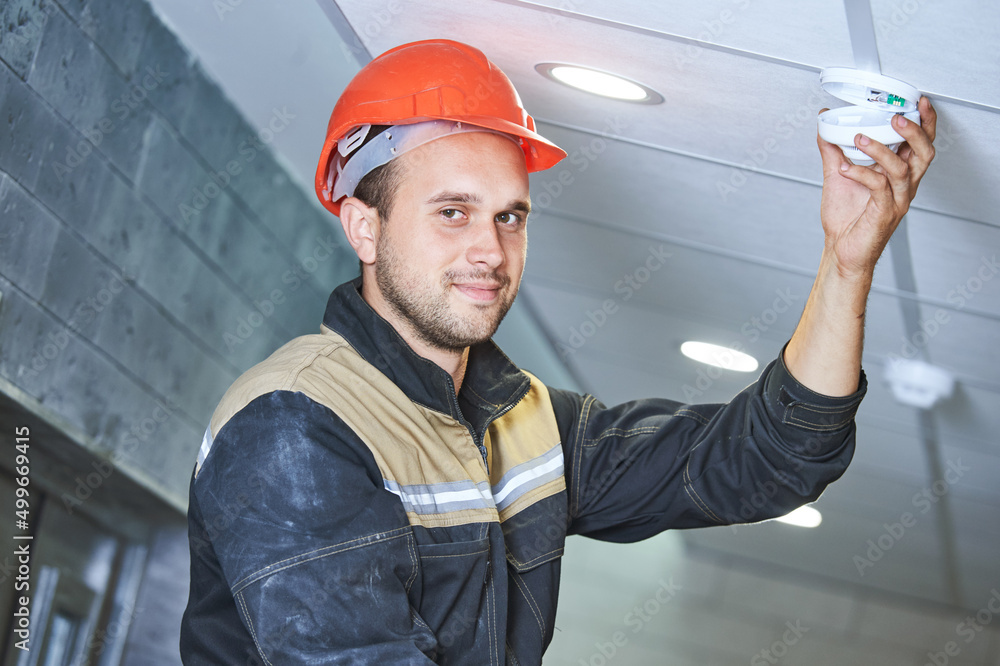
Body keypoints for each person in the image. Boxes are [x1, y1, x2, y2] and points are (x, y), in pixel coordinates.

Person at [179, 39, 936, 664]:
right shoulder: (293, 425)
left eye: (510, 217)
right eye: (453, 213)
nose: (490, 249)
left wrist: (848, 261)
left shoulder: (528, 427)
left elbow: (771, 459)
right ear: (364, 228)